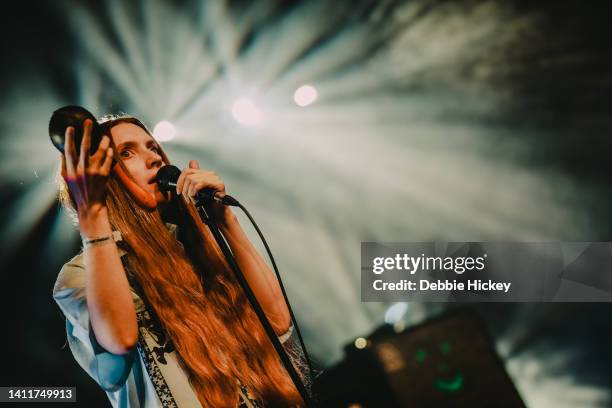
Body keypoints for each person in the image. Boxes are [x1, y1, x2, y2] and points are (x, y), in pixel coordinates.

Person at [53, 114, 311, 407]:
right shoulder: (81, 273)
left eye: (153, 148)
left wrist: (225, 219)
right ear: (99, 175)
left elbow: (277, 320)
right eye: (127, 152)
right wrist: (94, 213)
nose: (153, 159)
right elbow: (121, 339)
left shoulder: (192, 245)